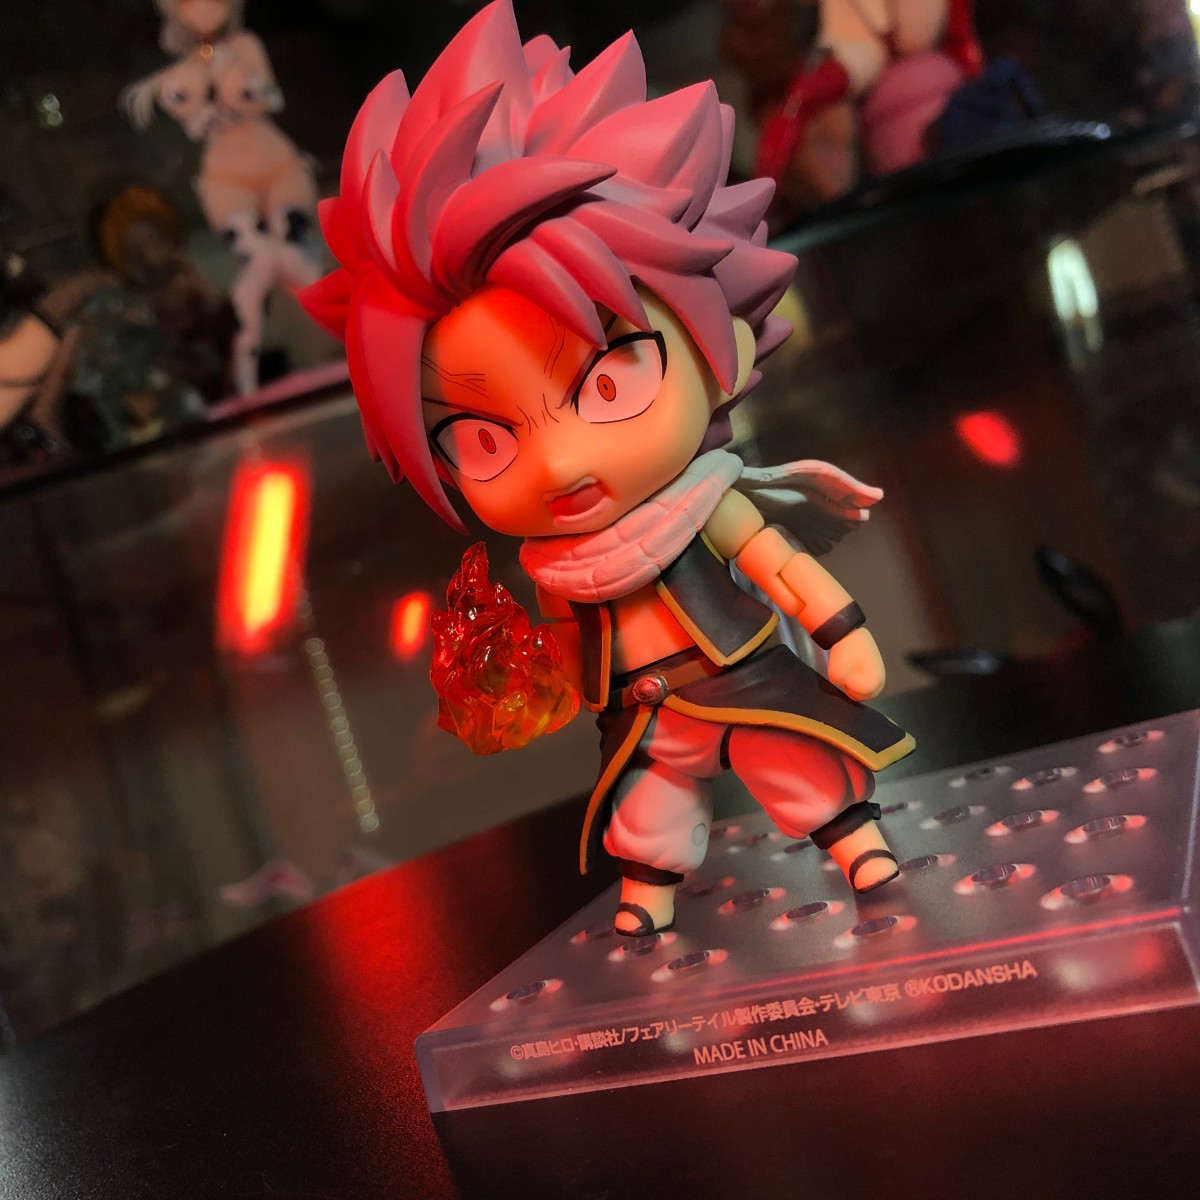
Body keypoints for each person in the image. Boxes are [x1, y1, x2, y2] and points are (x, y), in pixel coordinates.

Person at [301, 0, 915, 936]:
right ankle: (646, 899)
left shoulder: (703, 503)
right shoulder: (558, 564)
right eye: (483, 439)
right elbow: (562, 638)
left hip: (739, 682)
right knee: (646, 808)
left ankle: (854, 841)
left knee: (791, 764)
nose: (559, 460)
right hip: (641, 713)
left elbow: (780, 566)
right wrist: (521, 679)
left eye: (608, 382)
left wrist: (843, 634)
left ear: (723, 350)